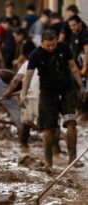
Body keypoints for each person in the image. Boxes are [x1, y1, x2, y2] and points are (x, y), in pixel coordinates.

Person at [21, 30, 86, 168]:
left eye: (53, 45)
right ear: (42, 43)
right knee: (48, 129)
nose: (51, 48)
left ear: (57, 40)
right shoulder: (35, 55)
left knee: (71, 124)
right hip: (48, 92)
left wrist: (81, 85)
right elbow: (28, 75)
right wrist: (23, 93)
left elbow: (73, 67)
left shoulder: (64, 47)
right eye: (48, 46)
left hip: (67, 89)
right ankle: (48, 162)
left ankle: (72, 158)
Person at [68, 15, 88, 120]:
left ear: (80, 23)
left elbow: (87, 52)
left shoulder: (84, 34)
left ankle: (85, 114)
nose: (72, 27)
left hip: (83, 68)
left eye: (74, 25)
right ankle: (79, 112)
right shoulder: (73, 35)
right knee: (76, 90)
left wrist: (85, 67)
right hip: (75, 68)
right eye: (70, 26)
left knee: (83, 90)